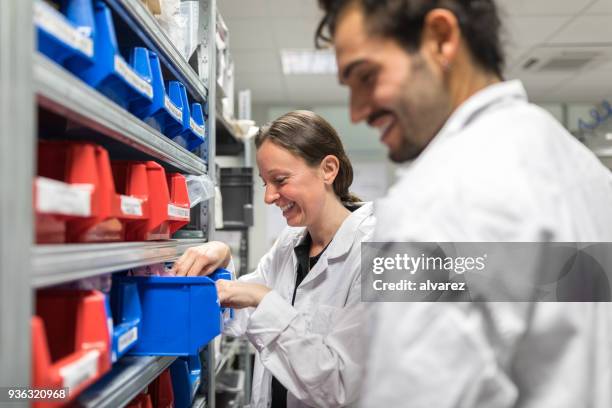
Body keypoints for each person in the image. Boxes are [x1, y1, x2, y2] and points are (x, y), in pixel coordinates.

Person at [315, 0, 612, 407]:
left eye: (367, 76)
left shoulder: (429, 201)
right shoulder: (587, 172)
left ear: (441, 38)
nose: (356, 111)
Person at [172, 110, 374, 407]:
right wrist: (222, 258)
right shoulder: (290, 244)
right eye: (265, 183)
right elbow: (238, 317)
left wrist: (263, 299)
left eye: (280, 180)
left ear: (328, 169)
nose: (269, 197)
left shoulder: (377, 251)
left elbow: (341, 388)